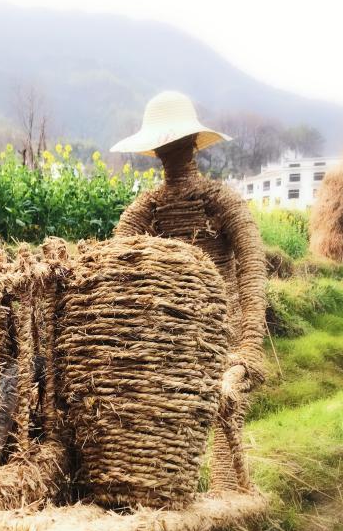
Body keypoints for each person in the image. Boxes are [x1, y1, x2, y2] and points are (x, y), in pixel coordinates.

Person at [110, 91, 267, 491]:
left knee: (223, 408)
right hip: (168, 337)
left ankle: (222, 492)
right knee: (173, 415)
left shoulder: (216, 203)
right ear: (194, 142)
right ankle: (171, 488)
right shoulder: (148, 209)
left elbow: (252, 271)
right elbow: (114, 268)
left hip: (220, 333)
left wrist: (248, 344)